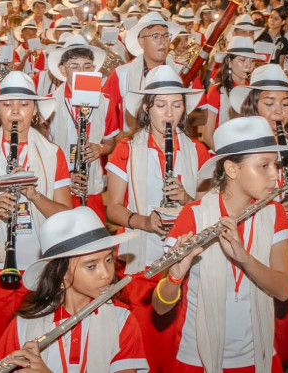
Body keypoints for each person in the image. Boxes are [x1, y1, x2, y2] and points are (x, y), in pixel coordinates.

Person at [156, 117, 288, 373]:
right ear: (232, 169)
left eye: (275, 164)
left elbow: (284, 290)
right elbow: (160, 307)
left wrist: (244, 259)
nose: (275, 174)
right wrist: (174, 278)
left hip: (257, 353)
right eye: (264, 166)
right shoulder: (193, 215)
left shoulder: (275, 213)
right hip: (196, 356)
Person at [0, 70, 72, 371]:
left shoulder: (53, 153)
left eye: (24, 104)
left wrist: (34, 195)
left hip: (41, 269)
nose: (15, 112)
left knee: (35, 354)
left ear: (35, 110)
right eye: (7, 105)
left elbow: (66, 217)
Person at [105, 65, 206, 373]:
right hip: (141, 261)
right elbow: (112, 209)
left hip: (186, 259)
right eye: (161, 105)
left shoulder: (198, 150)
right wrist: (144, 221)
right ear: (147, 108)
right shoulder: (126, 149)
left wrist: (188, 201)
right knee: (144, 344)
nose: (169, 113)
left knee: (179, 342)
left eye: (177, 105)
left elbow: (208, 209)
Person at [229, 63, 288, 364]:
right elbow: (225, 209)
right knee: (247, 339)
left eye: (285, 104)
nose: (278, 112)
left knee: (284, 340)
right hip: (249, 252)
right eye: (268, 103)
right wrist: (269, 204)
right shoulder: (233, 150)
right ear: (252, 105)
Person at [0, 207, 149, 373]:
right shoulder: (24, 324)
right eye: (91, 266)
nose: (106, 274)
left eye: (108, 260)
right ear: (61, 273)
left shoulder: (122, 320)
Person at [46, 35, 118, 220]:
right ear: (63, 70)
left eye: (87, 66)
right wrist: (64, 176)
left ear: (94, 69)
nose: (82, 72)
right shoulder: (48, 103)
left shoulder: (106, 102)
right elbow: (41, 150)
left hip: (90, 184)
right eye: (74, 66)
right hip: (57, 186)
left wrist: (100, 148)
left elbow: (110, 140)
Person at [103, 12, 183, 131]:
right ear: (141, 42)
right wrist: (115, 137)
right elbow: (104, 111)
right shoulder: (121, 74)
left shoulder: (181, 72)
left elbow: (201, 115)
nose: (162, 42)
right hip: (132, 145)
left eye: (166, 36)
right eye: (155, 36)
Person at [200, 36, 263, 149]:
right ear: (229, 62)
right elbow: (207, 136)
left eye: (252, 60)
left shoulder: (254, 91)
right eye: (242, 60)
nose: (248, 65)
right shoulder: (217, 91)